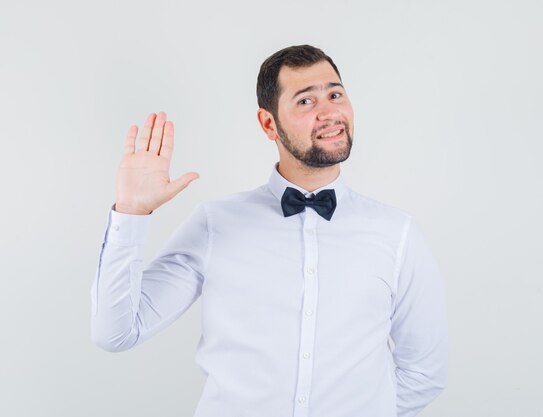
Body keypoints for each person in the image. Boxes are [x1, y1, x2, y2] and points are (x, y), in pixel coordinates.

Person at [91, 44, 448, 417]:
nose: (329, 112)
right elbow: (116, 332)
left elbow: (425, 371)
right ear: (268, 124)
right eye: (305, 102)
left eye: (335, 94)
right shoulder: (216, 224)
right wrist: (131, 213)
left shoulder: (397, 233)